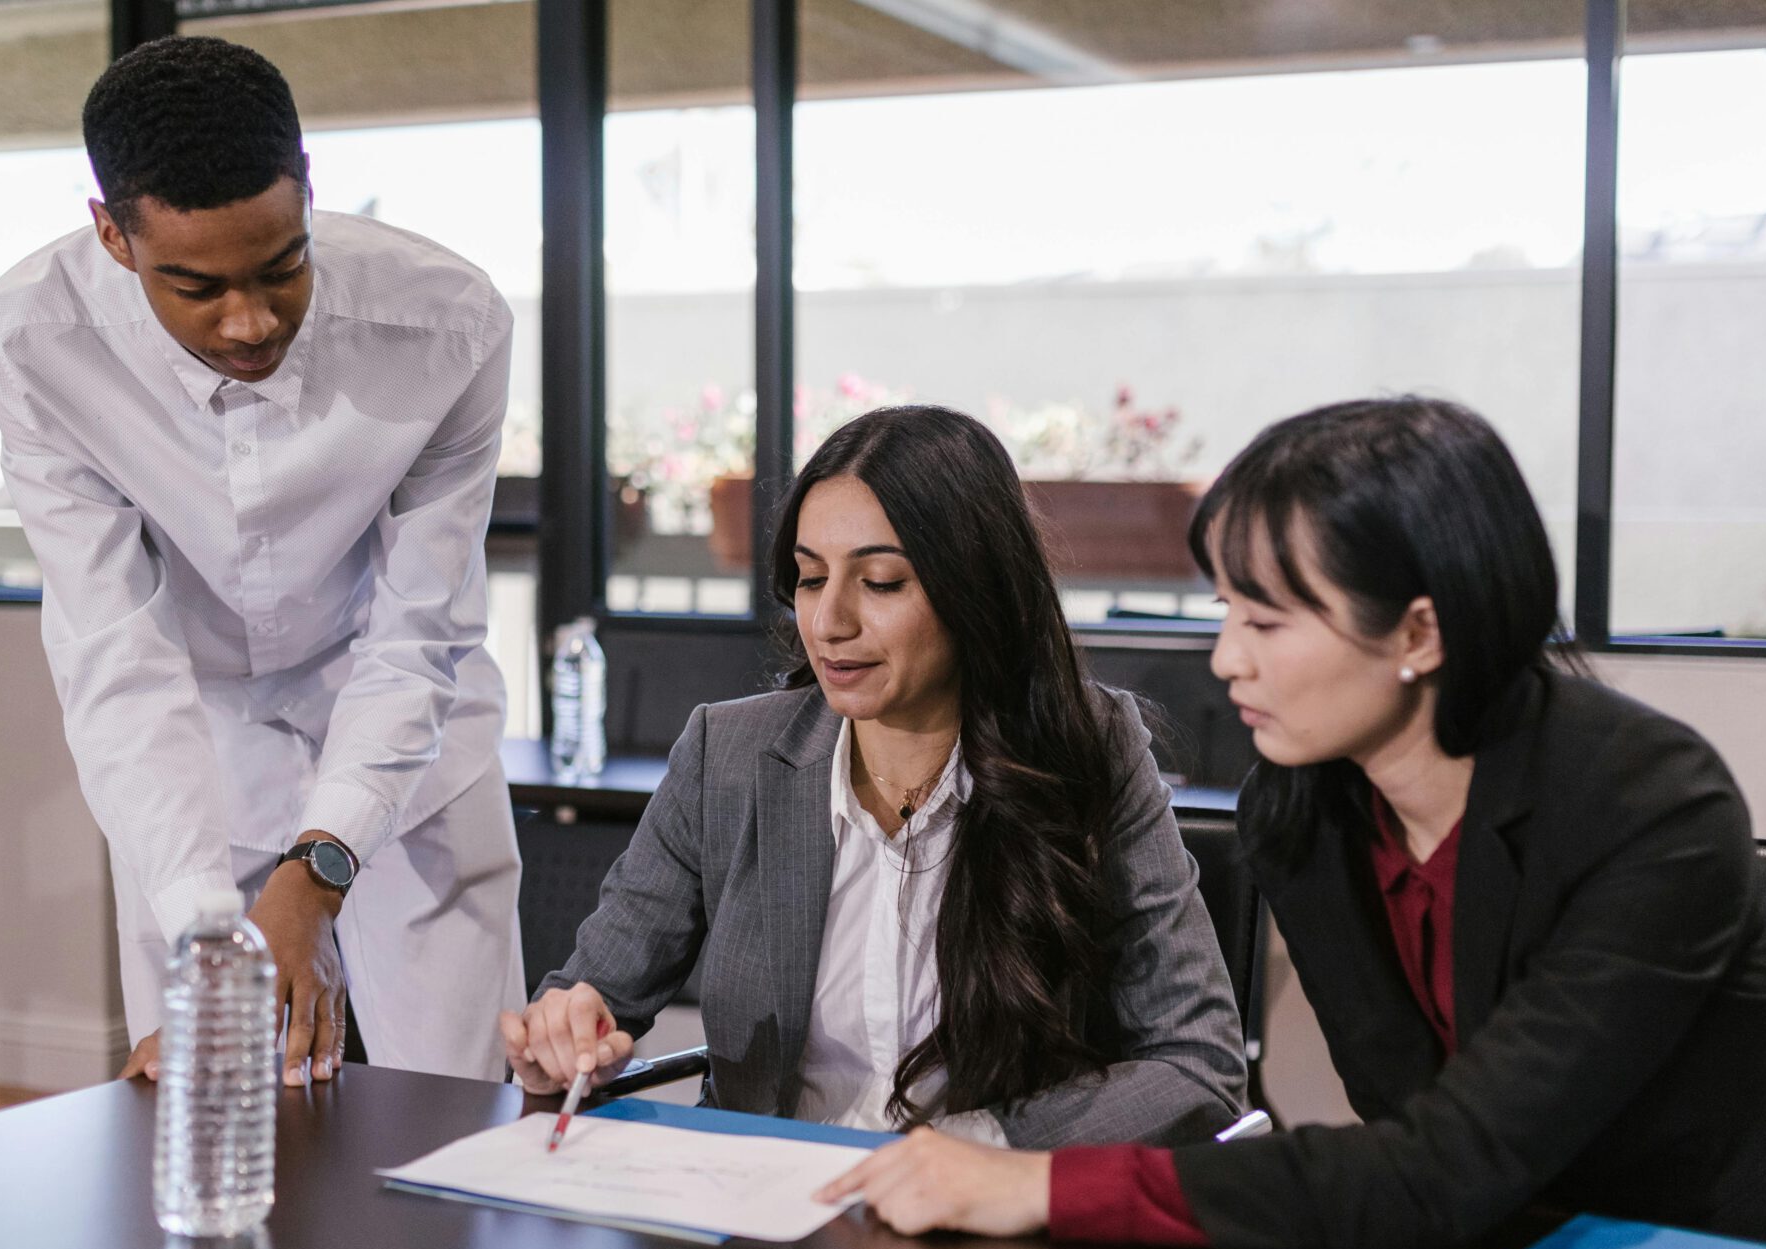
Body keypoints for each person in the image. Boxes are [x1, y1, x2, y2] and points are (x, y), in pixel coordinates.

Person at [818, 396, 1766, 1249]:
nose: (1226, 661)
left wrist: (1039, 1180)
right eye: (1225, 614)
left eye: (1266, 620)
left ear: (1418, 630)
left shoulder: (1650, 801)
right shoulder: (1302, 806)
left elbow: (1438, 1163)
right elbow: (1408, 1139)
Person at [0, 36, 523, 1087]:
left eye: (283, 268)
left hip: (409, 739)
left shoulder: (447, 323)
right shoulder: (31, 340)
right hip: (195, 758)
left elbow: (421, 629)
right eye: (197, 287)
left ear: (309, 192)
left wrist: (322, 858)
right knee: (212, 1111)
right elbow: (112, 650)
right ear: (113, 237)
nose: (250, 320)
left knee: (454, 1116)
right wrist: (205, 924)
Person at [502, 405, 1248, 1147]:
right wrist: (561, 1038)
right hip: (763, 1221)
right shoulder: (723, 757)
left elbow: (1198, 1066)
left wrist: (978, 1149)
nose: (829, 621)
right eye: (809, 578)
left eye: (882, 582)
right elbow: (591, 994)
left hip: (983, 1225)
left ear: (976, 590)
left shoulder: (1091, 750)